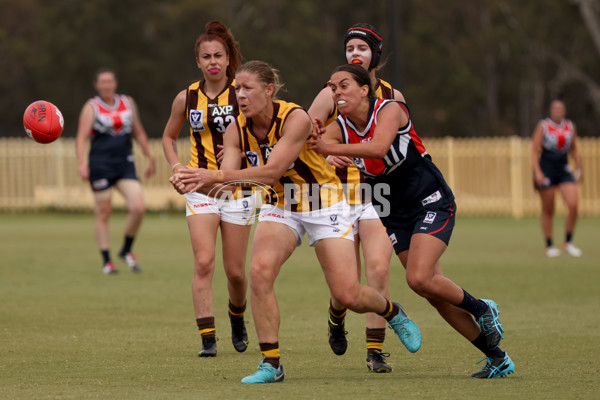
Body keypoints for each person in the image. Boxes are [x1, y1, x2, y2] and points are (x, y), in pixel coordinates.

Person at [173, 60, 421, 384]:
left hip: (322, 202)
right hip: (281, 205)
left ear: (269, 89)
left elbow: (272, 170)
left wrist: (211, 174)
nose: (240, 95)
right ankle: (271, 363)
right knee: (260, 272)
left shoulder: (295, 118)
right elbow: (230, 186)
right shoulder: (236, 128)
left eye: (248, 88)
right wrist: (192, 181)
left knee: (347, 294)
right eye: (237, 90)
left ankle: (392, 312)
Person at [308, 64, 514, 379]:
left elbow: (378, 146)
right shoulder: (339, 129)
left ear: (364, 89)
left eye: (343, 85)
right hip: (393, 212)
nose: (336, 93)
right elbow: (306, 149)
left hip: (430, 201)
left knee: (418, 279)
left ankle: (483, 309)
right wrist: (316, 147)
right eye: (332, 88)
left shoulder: (390, 109)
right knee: (434, 294)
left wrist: (329, 148)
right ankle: (497, 358)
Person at [308, 23, 404, 373]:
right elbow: (301, 135)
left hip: (379, 194)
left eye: (361, 48)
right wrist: (327, 152)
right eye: (350, 49)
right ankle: (336, 315)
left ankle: (375, 352)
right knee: (346, 285)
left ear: (375, 55)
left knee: (378, 269)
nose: (354, 54)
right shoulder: (331, 93)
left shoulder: (393, 98)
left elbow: (402, 149)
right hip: (336, 195)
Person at [161, 21, 254, 358]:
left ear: (229, 59)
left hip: (237, 191)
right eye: (206, 56)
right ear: (197, 61)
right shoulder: (186, 97)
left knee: (236, 273)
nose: (213, 61)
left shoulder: (244, 93)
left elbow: (264, 135)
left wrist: (240, 155)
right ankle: (208, 339)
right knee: (203, 263)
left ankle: (237, 316)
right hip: (200, 190)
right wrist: (177, 168)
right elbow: (168, 137)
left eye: (219, 55)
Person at [76, 67, 155, 275]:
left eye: (109, 81)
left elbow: (138, 131)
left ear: (115, 84)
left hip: (124, 164)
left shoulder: (128, 102)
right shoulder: (91, 107)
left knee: (138, 207)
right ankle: (106, 261)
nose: (106, 85)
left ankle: (126, 249)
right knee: (104, 211)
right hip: (100, 165)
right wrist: (82, 164)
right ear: (96, 85)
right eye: (102, 82)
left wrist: (149, 156)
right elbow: (81, 137)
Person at [530, 99, 583, 258]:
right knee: (549, 208)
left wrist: (579, 169)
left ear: (564, 110)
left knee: (573, 205)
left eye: (560, 108)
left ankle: (568, 242)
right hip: (546, 169)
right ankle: (549, 245)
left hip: (563, 169)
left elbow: (574, 149)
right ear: (551, 110)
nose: (557, 110)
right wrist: (538, 172)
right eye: (554, 108)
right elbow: (534, 150)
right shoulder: (543, 126)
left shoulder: (570, 127)